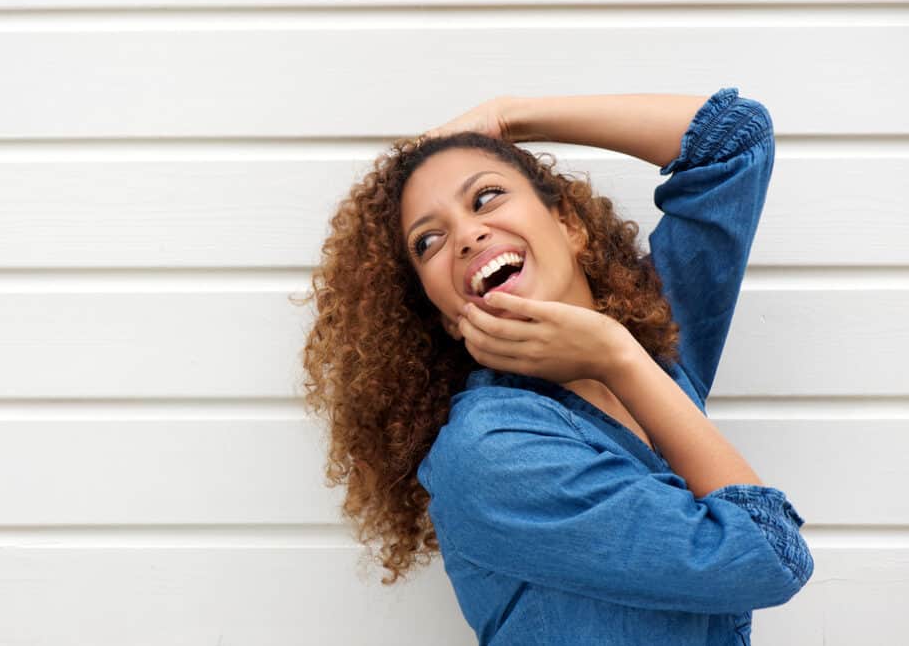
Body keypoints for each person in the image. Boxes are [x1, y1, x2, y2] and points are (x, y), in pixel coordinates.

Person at [297, 87, 814, 645]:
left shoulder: (655, 334)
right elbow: (769, 555)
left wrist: (507, 115)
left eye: (487, 197)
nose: (468, 236)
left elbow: (733, 140)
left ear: (570, 224)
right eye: (429, 240)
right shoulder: (491, 451)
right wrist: (618, 357)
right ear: (447, 317)